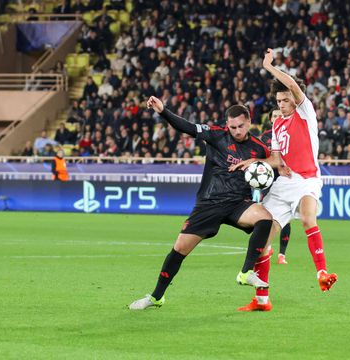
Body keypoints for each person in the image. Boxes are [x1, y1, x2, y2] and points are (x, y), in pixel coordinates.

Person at [129, 96, 274, 310]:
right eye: (232, 126)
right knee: (179, 249)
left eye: (241, 126)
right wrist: (163, 110)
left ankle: (246, 272)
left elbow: (274, 167)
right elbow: (187, 127)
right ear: (227, 125)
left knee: (265, 218)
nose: (237, 130)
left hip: (238, 203)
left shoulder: (259, 148)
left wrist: (262, 164)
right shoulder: (216, 135)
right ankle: (156, 297)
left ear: (250, 122)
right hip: (209, 203)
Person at [231, 49, 338, 311]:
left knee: (308, 216)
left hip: (307, 179)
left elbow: (291, 83)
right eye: (278, 100)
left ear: (295, 99)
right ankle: (262, 300)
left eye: (285, 99)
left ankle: (322, 273)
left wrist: (268, 65)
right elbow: (276, 160)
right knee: (263, 238)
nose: (281, 103)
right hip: (283, 183)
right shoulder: (278, 125)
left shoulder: (306, 113)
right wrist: (254, 163)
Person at [260, 110, 291, 265]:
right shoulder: (265, 136)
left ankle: (282, 255)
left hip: (284, 179)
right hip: (268, 179)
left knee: (286, 217)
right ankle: (268, 247)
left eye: (280, 115)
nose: (277, 118)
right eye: (274, 116)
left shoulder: (289, 133)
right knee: (266, 215)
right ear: (271, 119)